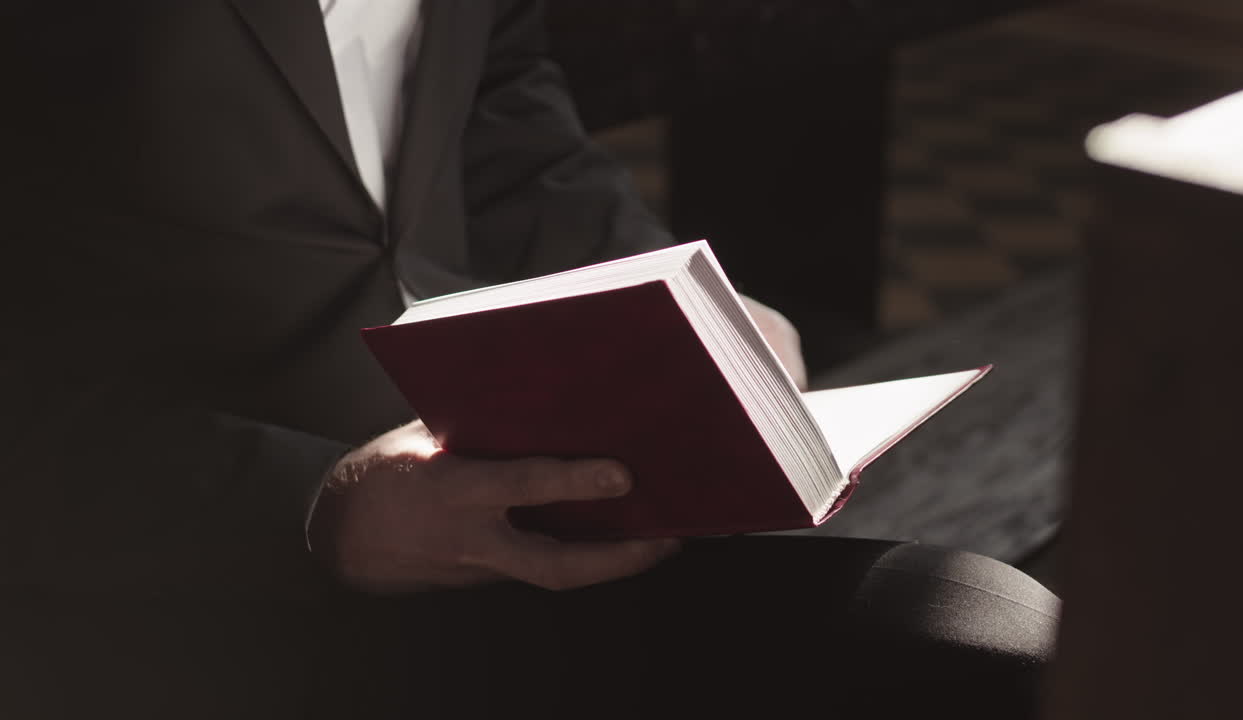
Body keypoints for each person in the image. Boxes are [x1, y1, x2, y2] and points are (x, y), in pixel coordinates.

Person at [1, 2, 1057, 718]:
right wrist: (320, 509)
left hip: (480, 496)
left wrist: (692, 312)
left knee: (1001, 636)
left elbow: (503, 115)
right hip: (157, 584)